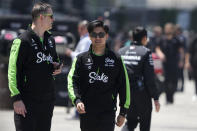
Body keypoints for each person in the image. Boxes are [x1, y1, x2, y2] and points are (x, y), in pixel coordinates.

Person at [67, 20, 130, 131]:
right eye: (94, 35)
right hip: (86, 112)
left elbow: (124, 86)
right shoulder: (81, 59)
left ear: (106, 36)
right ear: (89, 37)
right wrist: (77, 100)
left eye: (101, 34)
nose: (97, 38)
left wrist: (123, 112)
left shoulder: (116, 59)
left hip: (108, 112)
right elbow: (72, 81)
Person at [8, 2, 62, 131]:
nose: (53, 19)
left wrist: (57, 66)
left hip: (47, 101)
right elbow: (12, 71)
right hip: (26, 102)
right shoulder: (22, 40)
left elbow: (55, 60)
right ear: (41, 17)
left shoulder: (50, 40)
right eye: (51, 16)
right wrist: (16, 99)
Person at [119, 26, 160, 131]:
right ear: (144, 38)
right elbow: (150, 78)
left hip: (125, 93)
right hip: (141, 94)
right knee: (144, 123)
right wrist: (155, 97)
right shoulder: (146, 52)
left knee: (130, 122)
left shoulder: (121, 51)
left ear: (132, 38)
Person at [155, 23, 184, 104]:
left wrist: (181, 61)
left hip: (174, 63)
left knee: (174, 81)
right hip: (164, 64)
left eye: (169, 28)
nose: (167, 30)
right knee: (166, 81)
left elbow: (181, 51)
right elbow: (157, 48)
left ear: (172, 29)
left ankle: (172, 95)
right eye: (166, 28)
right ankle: (168, 98)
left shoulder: (177, 40)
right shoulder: (162, 39)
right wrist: (160, 54)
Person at [186, 37, 197, 101]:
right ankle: (196, 93)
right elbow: (189, 52)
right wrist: (187, 62)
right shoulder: (194, 40)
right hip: (195, 64)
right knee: (196, 79)